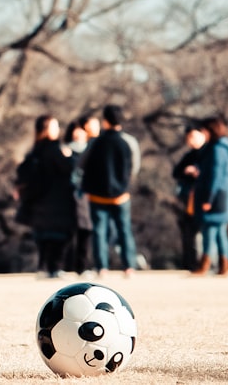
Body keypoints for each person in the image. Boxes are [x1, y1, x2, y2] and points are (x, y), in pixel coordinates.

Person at [80, 105, 141, 277]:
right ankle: (129, 266)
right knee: (124, 230)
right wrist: (126, 185)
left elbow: (82, 164)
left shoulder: (95, 142)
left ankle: (102, 268)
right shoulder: (128, 142)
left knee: (99, 231)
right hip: (121, 194)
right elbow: (133, 167)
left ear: (105, 121)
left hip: (97, 195)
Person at [19, 116, 78, 278]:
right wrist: (69, 156)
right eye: (55, 126)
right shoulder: (55, 149)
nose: (58, 130)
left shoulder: (34, 151)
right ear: (46, 130)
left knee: (43, 236)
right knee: (59, 236)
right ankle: (56, 268)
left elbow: (22, 173)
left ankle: (42, 267)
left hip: (37, 201)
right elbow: (69, 168)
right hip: (58, 200)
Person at [190, 116, 228, 276]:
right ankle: (224, 265)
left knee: (209, 230)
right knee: (220, 231)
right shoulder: (219, 148)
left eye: (203, 130)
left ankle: (205, 264)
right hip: (222, 194)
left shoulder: (217, 150)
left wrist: (208, 199)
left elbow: (215, 176)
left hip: (216, 196)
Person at [172, 123, 206, 270]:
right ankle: (191, 263)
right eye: (188, 138)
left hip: (204, 198)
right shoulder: (189, 155)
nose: (190, 140)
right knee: (189, 232)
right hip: (188, 199)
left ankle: (206, 263)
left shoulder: (209, 153)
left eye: (193, 136)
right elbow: (175, 173)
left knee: (204, 232)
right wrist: (186, 171)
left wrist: (198, 171)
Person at [64, 120, 93, 276]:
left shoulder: (92, 150)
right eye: (75, 130)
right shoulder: (65, 151)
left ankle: (82, 266)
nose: (77, 133)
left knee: (86, 230)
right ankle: (65, 265)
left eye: (80, 130)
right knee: (68, 232)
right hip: (68, 196)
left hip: (87, 196)